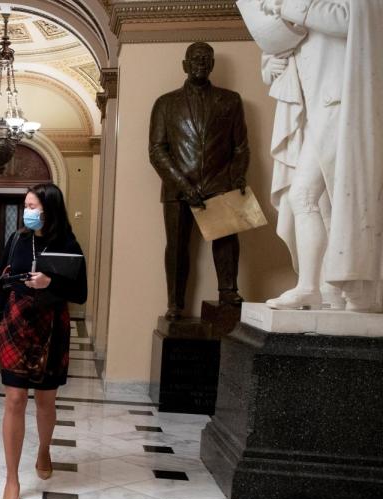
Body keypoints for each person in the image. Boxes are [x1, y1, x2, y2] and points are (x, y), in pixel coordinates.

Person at [256, 0, 382, 311]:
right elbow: (285, 49)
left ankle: (350, 288)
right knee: (311, 199)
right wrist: (270, 66)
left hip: (343, 104)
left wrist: (289, 6)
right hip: (315, 109)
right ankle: (322, 287)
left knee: (336, 199)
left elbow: (352, 19)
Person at [0, 184, 87, 499]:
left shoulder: (68, 244)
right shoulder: (17, 240)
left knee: (46, 401)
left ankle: (44, 450)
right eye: (26, 206)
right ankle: (12, 478)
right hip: (16, 322)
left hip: (52, 325)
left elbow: (81, 293)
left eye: (33, 206)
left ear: (49, 209)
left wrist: (51, 282)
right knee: (15, 399)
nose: (28, 212)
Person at [149, 42, 250, 319]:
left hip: (219, 183)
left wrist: (238, 175)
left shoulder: (231, 100)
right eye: (195, 59)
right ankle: (175, 304)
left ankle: (228, 292)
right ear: (185, 64)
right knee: (177, 248)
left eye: (206, 59)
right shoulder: (165, 103)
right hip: (178, 188)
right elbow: (157, 150)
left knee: (226, 242)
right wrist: (183, 185)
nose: (201, 63)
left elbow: (241, 147)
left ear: (213, 64)